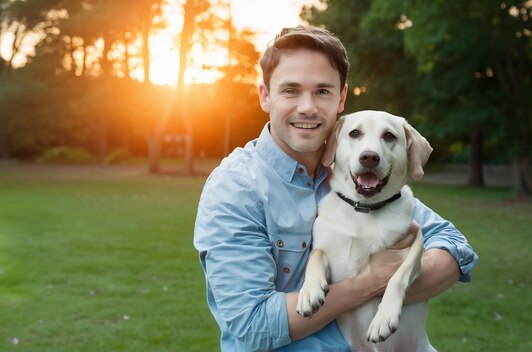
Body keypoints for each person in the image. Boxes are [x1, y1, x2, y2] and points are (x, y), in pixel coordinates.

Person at [193, 26, 478, 351]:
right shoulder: (237, 188)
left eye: (322, 91)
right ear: (265, 96)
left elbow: (455, 247)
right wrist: (370, 281)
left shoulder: (357, 174)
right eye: (290, 90)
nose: (307, 107)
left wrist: (396, 284)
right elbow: (253, 326)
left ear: (341, 97)